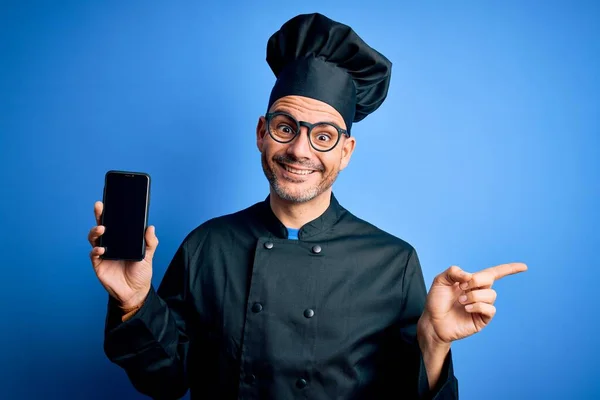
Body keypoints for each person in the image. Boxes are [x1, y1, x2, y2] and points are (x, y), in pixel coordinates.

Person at [88, 13, 527, 400]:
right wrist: (135, 302)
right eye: (285, 127)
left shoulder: (393, 262)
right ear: (261, 132)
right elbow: (165, 383)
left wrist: (434, 343)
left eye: (323, 136)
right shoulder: (207, 245)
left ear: (346, 151)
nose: (300, 151)